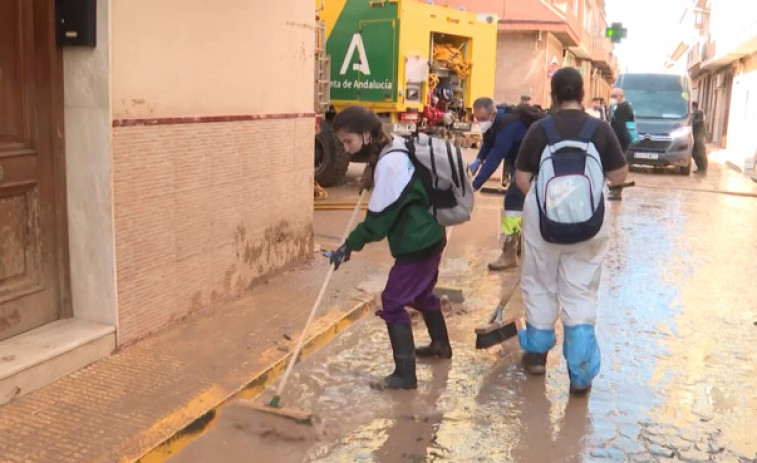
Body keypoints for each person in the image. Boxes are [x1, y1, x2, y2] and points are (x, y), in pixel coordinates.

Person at [514, 67, 629, 395]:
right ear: (582, 94)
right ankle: (580, 375)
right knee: (580, 290)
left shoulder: (539, 129)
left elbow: (522, 180)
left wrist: (551, 204)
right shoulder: (600, 129)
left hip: (542, 222)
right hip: (590, 224)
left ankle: (536, 357)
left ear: (553, 95)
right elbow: (618, 175)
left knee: (539, 283)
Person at [328, 105, 452, 391]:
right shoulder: (394, 147)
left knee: (394, 301)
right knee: (420, 294)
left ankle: (404, 376)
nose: (346, 150)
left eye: (349, 141)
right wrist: (371, 169)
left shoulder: (390, 164)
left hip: (417, 243)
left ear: (366, 135)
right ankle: (440, 346)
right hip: (430, 236)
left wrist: (348, 246)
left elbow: (378, 222)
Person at [469, 98, 543, 270]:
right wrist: (478, 160)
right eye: (477, 119)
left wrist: (475, 185)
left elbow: (496, 157)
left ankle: (509, 253)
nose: (480, 123)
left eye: (482, 119)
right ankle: (520, 244)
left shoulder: (510, 125)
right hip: (521, 160)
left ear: (493, 114)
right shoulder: (497, 119)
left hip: (531, 163)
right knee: (522, 202)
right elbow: (488, 142)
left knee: (512, 202)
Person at [608, 88, 635, 200]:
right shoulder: (621, 107)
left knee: (617, 166)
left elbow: (619, 127)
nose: (612, 98)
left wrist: (613, 140)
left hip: (620, 141)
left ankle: (616, 192)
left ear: (620, 96)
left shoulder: (623, 108)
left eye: (614, 96)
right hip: (622, 141)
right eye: (611, 96)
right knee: (617, 165)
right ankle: (615, 190)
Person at [691, 101, 708, 174]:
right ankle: (699, 168)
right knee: (694, 152)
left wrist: (690, 121)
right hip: (695, 135)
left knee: (700, 152)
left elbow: (698, 122)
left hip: (700, 135)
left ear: (693, 106)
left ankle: (703, 168)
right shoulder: (694, 113)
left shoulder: (699, 112)